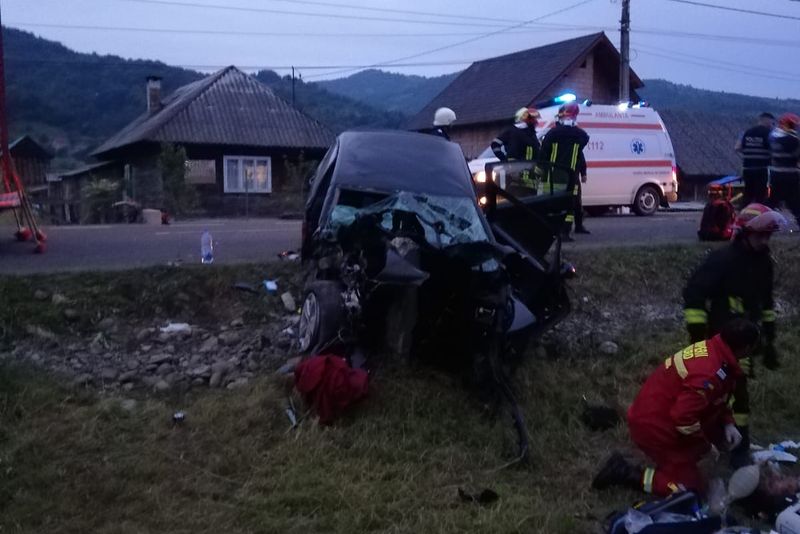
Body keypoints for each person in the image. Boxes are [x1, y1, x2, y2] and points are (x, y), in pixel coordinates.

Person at [592, 319, 760, 497]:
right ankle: (625, 472)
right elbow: (683, 419)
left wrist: (728, 423)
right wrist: (705, 447)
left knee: (710, 438)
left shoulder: (716, 351)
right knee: (687, 488)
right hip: (656, 427)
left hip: (662, 410)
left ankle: (685, 458)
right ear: (745, 348)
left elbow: (716, 397)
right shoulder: (710, 373)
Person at [683, 203, 788, 468]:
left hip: (746, 342)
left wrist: (770, 341)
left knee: (739, 393)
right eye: (761, 235)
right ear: (746, 232)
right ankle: (720, 440)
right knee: (719, 391)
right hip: (721, 340)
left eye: (768, 235)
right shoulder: (724, 260)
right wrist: (698, 340)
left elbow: (766, 305)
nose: (765, 241)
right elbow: (694, 295)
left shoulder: (764, 263)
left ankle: (737, 443)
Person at [539, 102, 590, 240]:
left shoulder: (553, 133)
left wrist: (540, 171)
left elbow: (543, 154)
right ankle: (565, 232)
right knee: (569, 203)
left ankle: (557, 230)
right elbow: (583, 143)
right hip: (571, 175)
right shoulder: (579, 136)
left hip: (555, 174)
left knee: (557, 203)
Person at [735, 112, 774, 206]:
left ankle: (744, 211)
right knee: (760, 194)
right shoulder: (768, 133)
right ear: (767, 121)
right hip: (761, 168)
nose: (772, 125)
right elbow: (773, 149)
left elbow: (738, 148)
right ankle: (759, 212)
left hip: (747, 168)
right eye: (772, 123)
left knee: (748, 192)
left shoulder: (747, 132)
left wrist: (749, 152)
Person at [768, 112, 800, 224]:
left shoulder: (774, 139)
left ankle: (762, 222)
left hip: (776, 175)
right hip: (790, 175)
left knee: (772, 201)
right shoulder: (793, 140)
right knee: (795, 202)